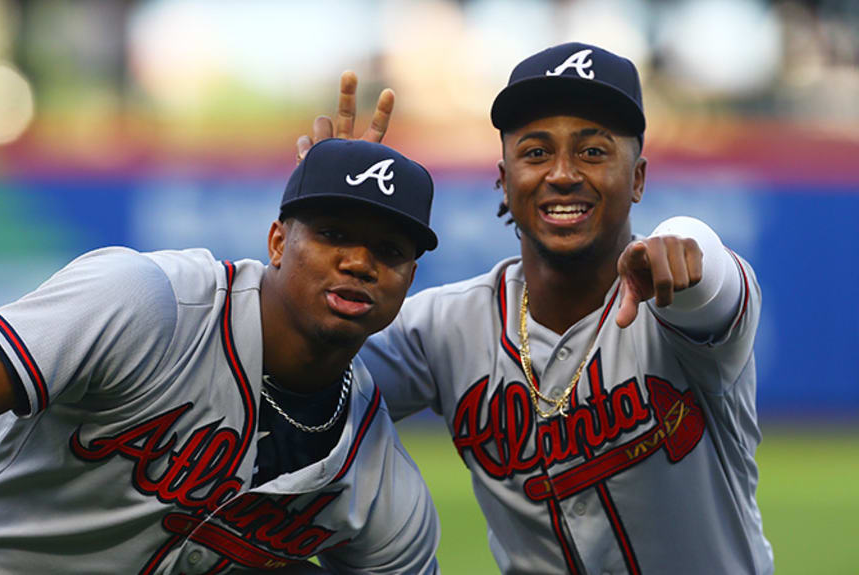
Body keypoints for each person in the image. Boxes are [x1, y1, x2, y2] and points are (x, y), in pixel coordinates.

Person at [0, 138, 442, 575]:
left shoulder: (376, 475)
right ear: (279, 241)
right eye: (335, 234)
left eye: (387, 250)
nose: (360, 263)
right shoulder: (148, 302)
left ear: (409, 278)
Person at [301, 44, 773, 574]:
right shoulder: (444, 328)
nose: (563, 173)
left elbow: (711, 284)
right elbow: (298, 374)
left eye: (593, 152)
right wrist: (325, 212)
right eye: (535, 152)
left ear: (637, 178)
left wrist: (687, 238)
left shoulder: (677, 304)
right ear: (504, 179)